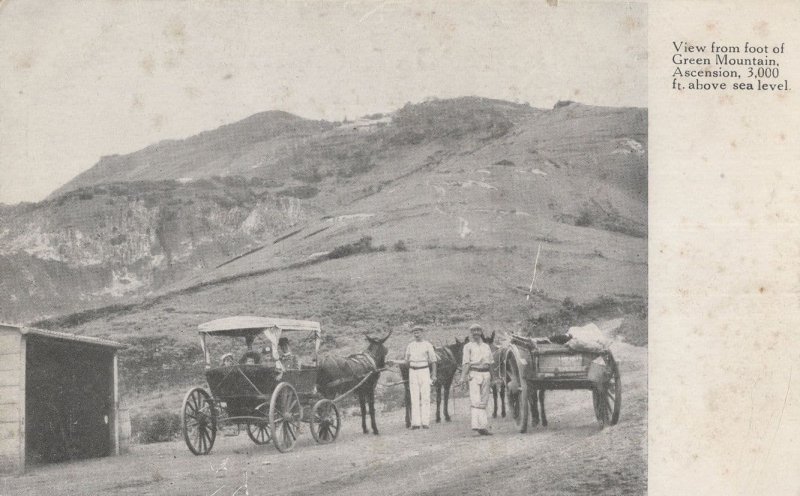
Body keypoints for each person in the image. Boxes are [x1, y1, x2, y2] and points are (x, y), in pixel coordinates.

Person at [460, 324, 494, 435]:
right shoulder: (468, 347)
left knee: (484, 401)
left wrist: (493, 378)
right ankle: (475, 426)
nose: (475, 332)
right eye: (473, 331)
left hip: (486, 374)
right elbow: (466, 363)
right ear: (471, 333)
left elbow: (490, 363)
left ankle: (483, 427)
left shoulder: (486, 346)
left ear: (481, 332)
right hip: (474, 374)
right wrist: (463, 378)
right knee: (475, 400)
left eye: (477, 330)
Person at [404, 325, 438, 429]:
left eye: (418, 332)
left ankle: (425, 422)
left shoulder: (427, 345)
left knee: (425, 397)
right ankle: (416, 423)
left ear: (422, 333)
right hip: (413, 372)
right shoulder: (410, 345)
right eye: (414, 332)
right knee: (414, 397)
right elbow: (406, 361)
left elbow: (433, 361)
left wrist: (434, 374)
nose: (416, 334)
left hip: (424, 371)